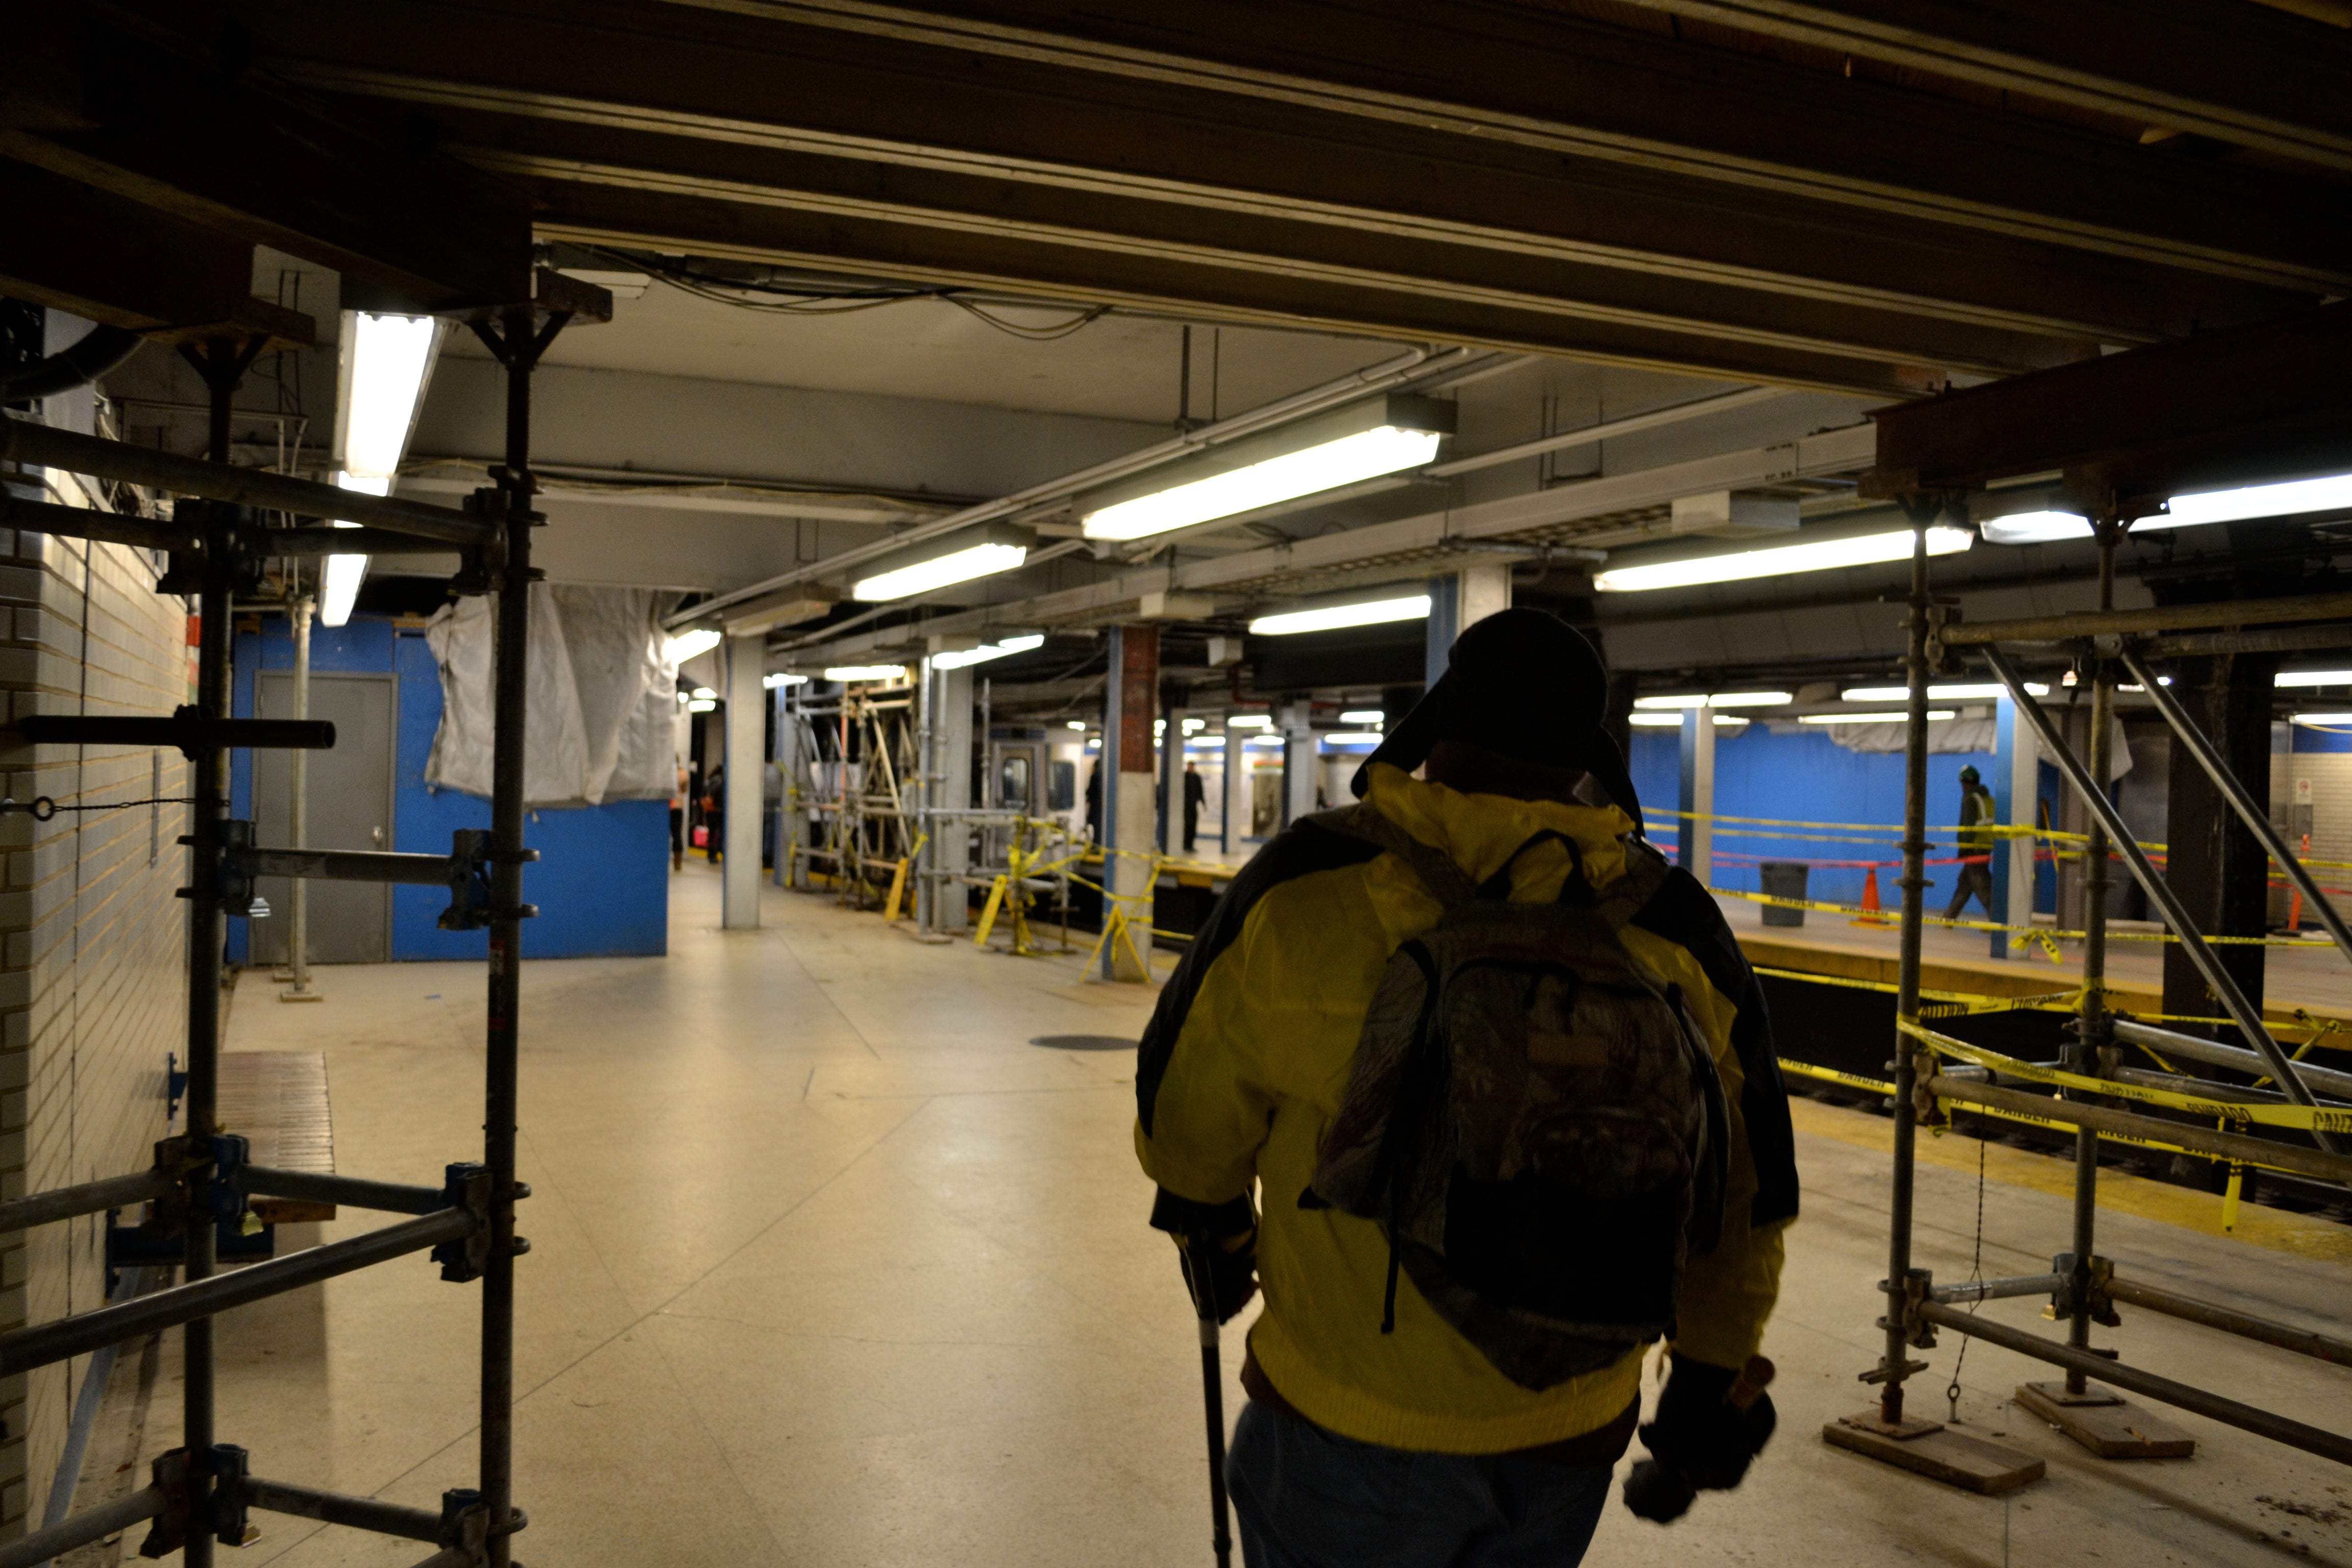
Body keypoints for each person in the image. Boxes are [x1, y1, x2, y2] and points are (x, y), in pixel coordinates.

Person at [1134, 608, 1795, 1568]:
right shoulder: (1675, 927)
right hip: (1570, 1426)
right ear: (1583, 759)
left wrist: (1215, 1230)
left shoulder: (1304, 888)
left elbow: (1183, 1119)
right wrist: (1704, 1370)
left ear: (1437, 731)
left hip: (1346, 1411)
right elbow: (1748, 1190)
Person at [1945, 764, 1998, 920]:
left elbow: (1967, 826)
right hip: (1986, 846)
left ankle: (1996, 919)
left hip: (1974, 848)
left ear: (1965, 783)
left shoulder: (1970, 799)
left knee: (1982, 885)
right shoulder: (1987, 798)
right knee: (1965, 883)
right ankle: (1949, 916)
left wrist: (1964, 849)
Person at [703, 762, 725, 865]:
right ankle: (714, 854)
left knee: (711, 833)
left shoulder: (708, 781)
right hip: (717, 809)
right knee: (718, 833)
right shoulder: (721, 781)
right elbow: (720, 795)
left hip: (708, 809)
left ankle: (710, 853)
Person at [669, 762, 690, 872]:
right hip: (678, 805)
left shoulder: (664, 772)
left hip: (665, 806)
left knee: (661, 835)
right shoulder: (683, 773)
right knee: (677, 835)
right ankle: (678, 864)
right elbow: (685, 790)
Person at [1183, 761, 1207, 853]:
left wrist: (1203, 803)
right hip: (1186, 805)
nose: (1190, 768)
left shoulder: (1197, 778)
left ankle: (1191, 845)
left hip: (1194, 805)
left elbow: (1200, 791)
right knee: (1187, 824)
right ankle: (1185, 845)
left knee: (1193, 825)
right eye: (1189, 766)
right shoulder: (1184, 777)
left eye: (1191, 767)